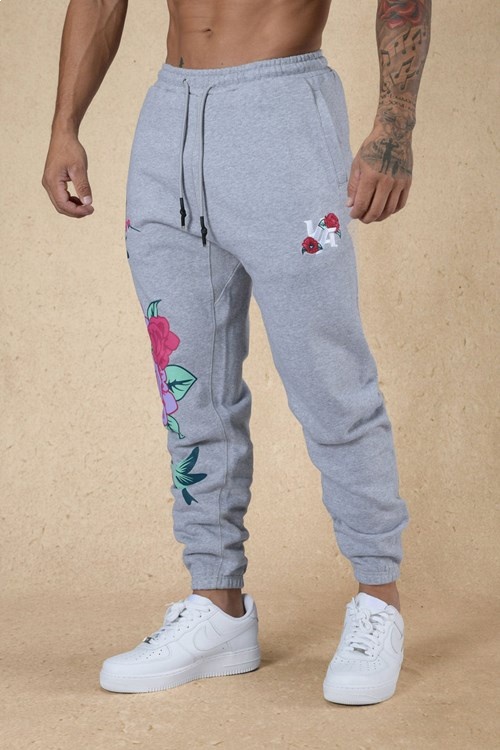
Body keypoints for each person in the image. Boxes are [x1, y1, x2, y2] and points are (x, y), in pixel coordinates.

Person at [41, 0, 431, 705]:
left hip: (282, 114)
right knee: (187, 389)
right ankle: (217, 605)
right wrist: (65, 124)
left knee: (329, 380)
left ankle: (379, 599)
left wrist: (394, 126)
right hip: (168, 128)